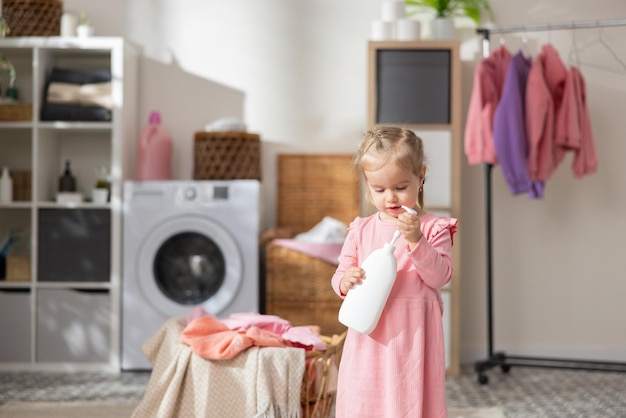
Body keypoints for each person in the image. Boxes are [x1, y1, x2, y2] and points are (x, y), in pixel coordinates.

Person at [331, 125, 458, 417]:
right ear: (367, 183)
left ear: (420, 176)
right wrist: (344, 281)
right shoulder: (361, 230)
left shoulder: (432, 229)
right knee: (366, 401)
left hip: (413, 339)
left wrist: (417, 241)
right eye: (379, 189)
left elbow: (440, 276)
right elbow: (340, 274)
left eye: (401, 187)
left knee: (409, 402)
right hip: (370, 339)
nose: (391, 198)